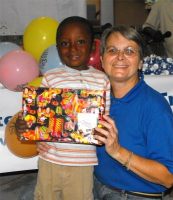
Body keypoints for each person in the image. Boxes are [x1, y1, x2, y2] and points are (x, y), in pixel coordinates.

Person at [15, 16, 110, 200]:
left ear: (92, 46)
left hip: (82, 164)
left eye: (80, 42)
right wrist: (29, 129)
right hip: (50, 159)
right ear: (58, 48)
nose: (73, 48)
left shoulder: (101, 79)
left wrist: (99, 134)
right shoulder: (50, 77)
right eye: (65, 43)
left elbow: (103, 121)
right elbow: (39, 118)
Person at [93, 25, 173, 200]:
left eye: (129, 51)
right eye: (112, 50)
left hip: (135, 195)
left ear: (141, 63)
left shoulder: (154, 108)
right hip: (97, 186)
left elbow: (168, 178)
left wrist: (117, 151)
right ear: (102, 59)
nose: (120, 57)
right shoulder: (98, 99)